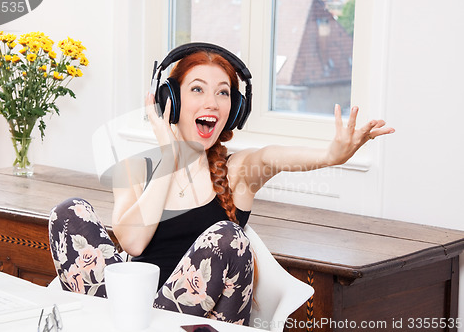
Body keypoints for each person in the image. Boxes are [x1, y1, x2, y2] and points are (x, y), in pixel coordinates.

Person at [48, 43, 394, 326]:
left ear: (236, 108)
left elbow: (275, 155)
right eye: (197, 89)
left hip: (201, 324)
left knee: (229, 238)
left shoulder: (239, 170)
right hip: (131, 315)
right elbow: (134, 243)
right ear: (171, 100)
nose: (212, 102)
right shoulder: (134, 169)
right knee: (68, 213)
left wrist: (333, 154)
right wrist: (169, 157)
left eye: (223, 93)